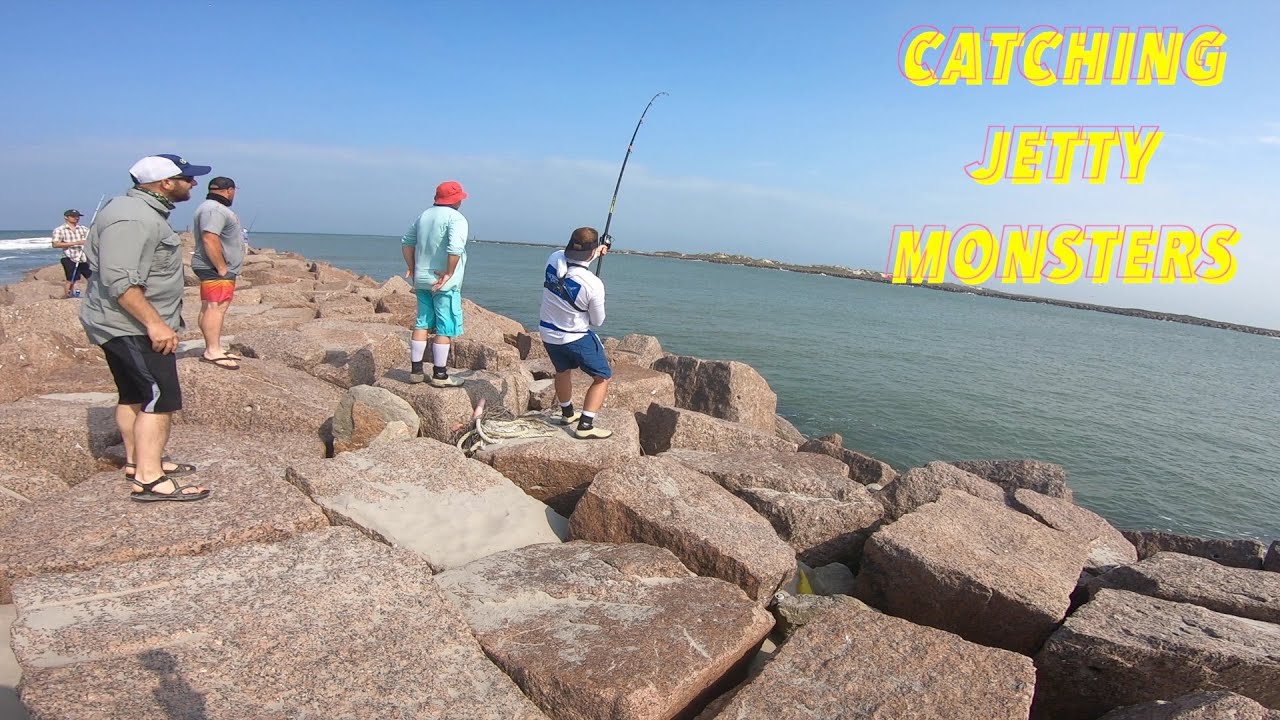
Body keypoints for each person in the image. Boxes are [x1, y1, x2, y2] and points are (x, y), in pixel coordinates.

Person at [80, 154, 213, 502]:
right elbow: (120, 280)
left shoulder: (134, 211)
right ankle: (150, 479)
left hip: (121, 322)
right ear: (166, 183)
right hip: (131, 325)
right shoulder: (134, 218)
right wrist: (155, 324)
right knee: (160, 397)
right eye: (187, 178)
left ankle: (137, 461)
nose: (193, 184)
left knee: (134, 393)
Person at [539, 227, 613, 439]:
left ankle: (567, 413)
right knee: (602, 377)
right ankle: (586, 425)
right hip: (575, 337)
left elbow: (571, 262)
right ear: (591, 252)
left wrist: (595, 252)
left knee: (562, 370)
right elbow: (598, 321)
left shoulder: (553, 259)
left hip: (548, 333)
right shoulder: (593, 284)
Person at [401, 180, 469, 387]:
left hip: (421, 277)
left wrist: (412, 268)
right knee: (444, 327)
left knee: (422, 321)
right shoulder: (456, 218)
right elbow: (455, 249)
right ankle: (440, 375)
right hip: (443, 281)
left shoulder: (424, 215)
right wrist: (449, 273)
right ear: (456, 199)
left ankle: (416, 371)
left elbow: (406, 242)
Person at [190, 177, 243, 369]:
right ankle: (213, 350)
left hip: (211, 266)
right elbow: (209, 237)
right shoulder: (215, 210)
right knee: (216, 306)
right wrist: (221, 267)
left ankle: (212, 346)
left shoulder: (209, 207)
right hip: (214, 268)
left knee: (209, 306)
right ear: (229, 190)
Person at [51, 209, 91, 298]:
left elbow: (92, 239)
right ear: (66, 217)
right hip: (69, 257)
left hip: (83, 257)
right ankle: (69, 296)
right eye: (73, 216)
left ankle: (93, 295)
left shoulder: (84, 229)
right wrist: (76, 243)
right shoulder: (59, 230)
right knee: (71, 279)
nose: (76, 218)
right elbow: (55, 244)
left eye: (77, 216)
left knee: (91, 277)